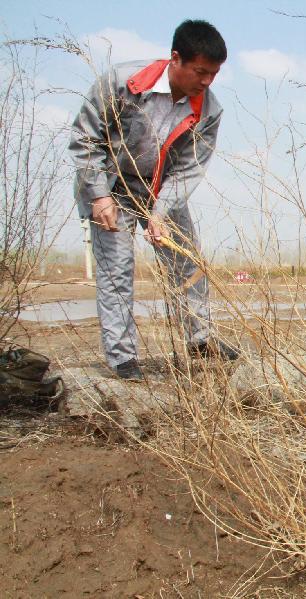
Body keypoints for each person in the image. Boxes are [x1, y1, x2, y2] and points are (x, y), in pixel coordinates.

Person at [70, 19, 238, 381]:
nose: (207, 81)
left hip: (161, 190)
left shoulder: (209, 110)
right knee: (117, 269)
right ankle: (123, 358)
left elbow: (190, 167)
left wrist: (160, 212)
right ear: (175, 58)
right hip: (112, 188)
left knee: (187, 262)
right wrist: (98, 195)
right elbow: (85, 139)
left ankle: (199, 339)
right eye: (201, 72)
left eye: (214, 74)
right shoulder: (123, 83)